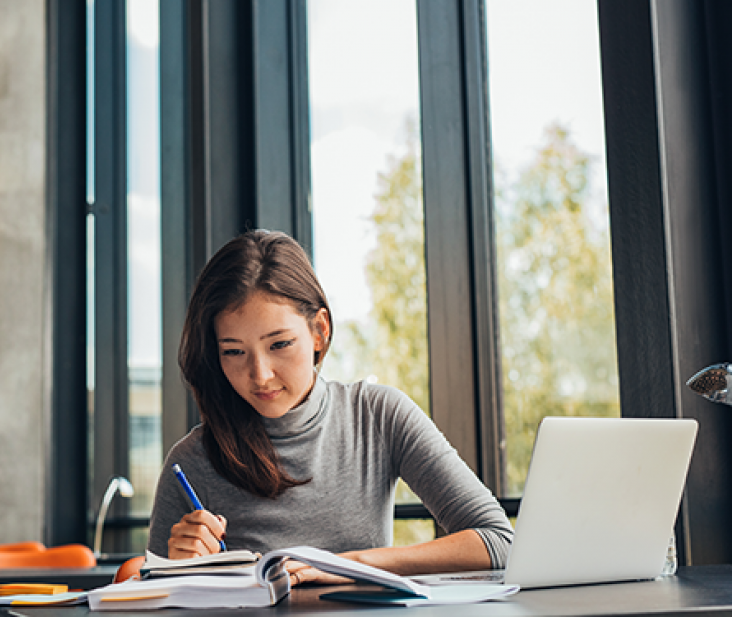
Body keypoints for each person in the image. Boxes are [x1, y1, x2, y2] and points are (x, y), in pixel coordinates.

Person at [147, 230, 514, 587]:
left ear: (319, 331)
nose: (260, 375)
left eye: (280, 344)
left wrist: (350, 564)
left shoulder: (378, 416)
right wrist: (177, 571)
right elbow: (145, 593)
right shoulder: (193, 461)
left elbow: (499, 541)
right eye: (234, 351)